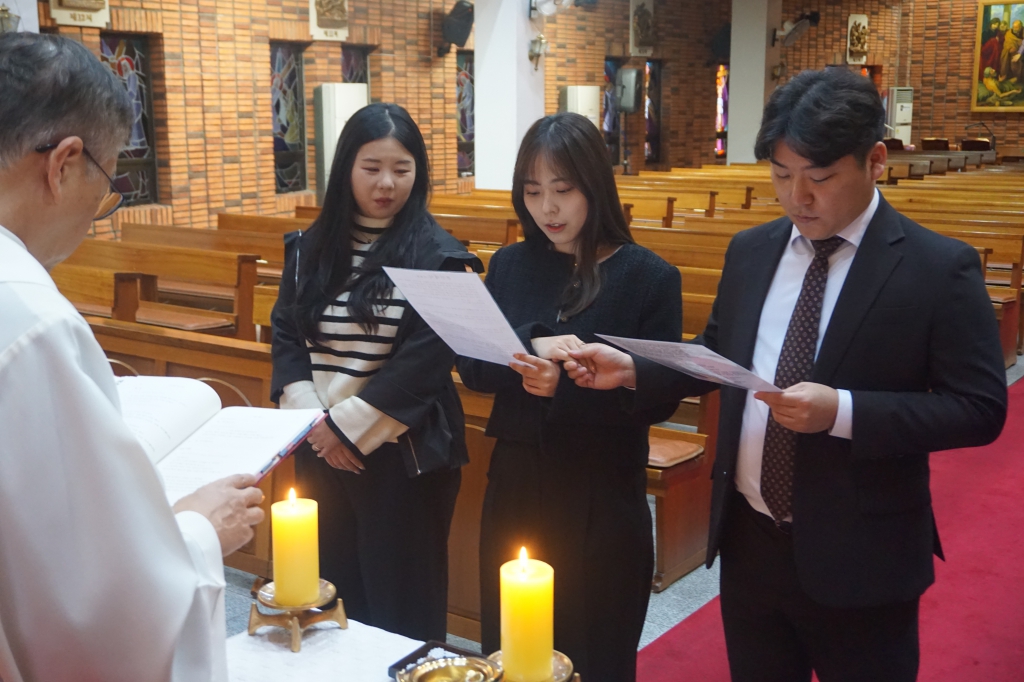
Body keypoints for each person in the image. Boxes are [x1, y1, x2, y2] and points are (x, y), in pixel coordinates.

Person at [566, 68, 1007, 682]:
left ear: (875, 161)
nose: (798, 197)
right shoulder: (752, 251)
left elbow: (980, 407)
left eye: (819, 178)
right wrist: (637, 369)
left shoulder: (936, 267)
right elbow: (718, 354)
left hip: (863, 556)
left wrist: (843, 411)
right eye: (780, 175)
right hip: (751, 544)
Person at [0, 33, 265, 682]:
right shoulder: (31, 323)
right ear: (64, 164)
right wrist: (198, 532)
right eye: (108, 181)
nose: (99, 212)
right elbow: (98, 626)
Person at [455, 112, 682, 682]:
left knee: (594, 652)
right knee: (513, 652)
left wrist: (563, 388)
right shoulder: (511, 264)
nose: (547, 209)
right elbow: (475, 368)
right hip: (516, 485)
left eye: (563, 190)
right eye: (533, 192)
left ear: (595, 187)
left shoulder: (648, 277)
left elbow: (660, 399)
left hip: (600, 495)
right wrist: (530, 346)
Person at [270, 103, 481, 642]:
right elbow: (287, 335)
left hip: (401, 460)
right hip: (319, 449)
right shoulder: (309, 249)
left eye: (401, 169)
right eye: (372, 168)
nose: (386, 183)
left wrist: (345, 430)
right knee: (331, 600)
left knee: (401, 612)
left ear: (418, 173)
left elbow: (427, 361)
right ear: (346, 168)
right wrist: (316, 426)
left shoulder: (440, 257)